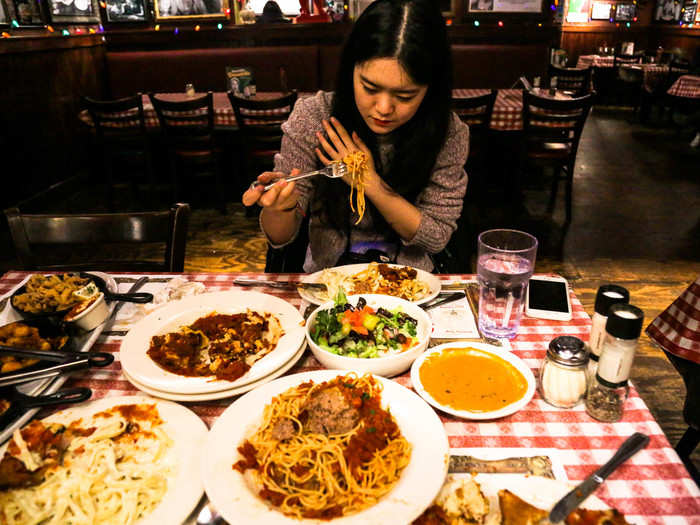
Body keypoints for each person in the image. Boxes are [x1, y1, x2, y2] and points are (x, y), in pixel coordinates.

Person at [242, 0, 469, 273]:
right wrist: (279, 209)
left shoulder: (448, 132)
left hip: (414, 287)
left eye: (405, 95)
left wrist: (368, 182)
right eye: (370, 87)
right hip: (326, 285)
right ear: (351, 70)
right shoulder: (314, 117)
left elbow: (436, 237)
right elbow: (280, 238)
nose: (384, 109)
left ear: (430, 88)